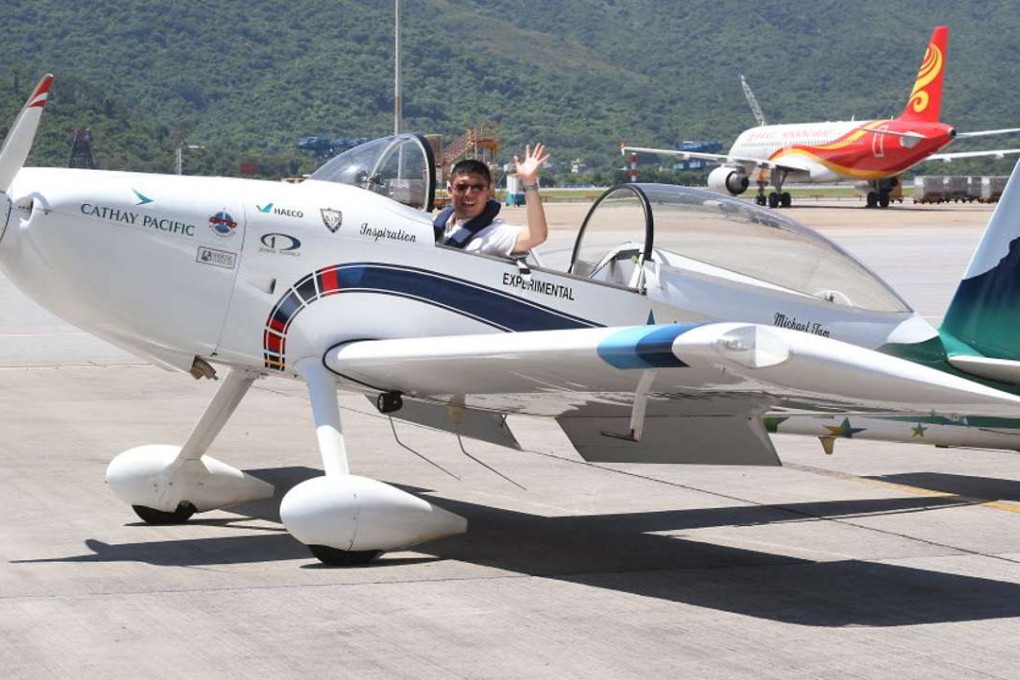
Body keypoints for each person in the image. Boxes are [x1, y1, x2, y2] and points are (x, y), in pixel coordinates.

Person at [434, 143, 550, 257]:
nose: (469, 194)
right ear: (450, 191)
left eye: (477, 188)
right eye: (462, 187)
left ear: (488, 193)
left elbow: (536, 235)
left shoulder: (494, 234)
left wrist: (528, 181)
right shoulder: (435, 225)